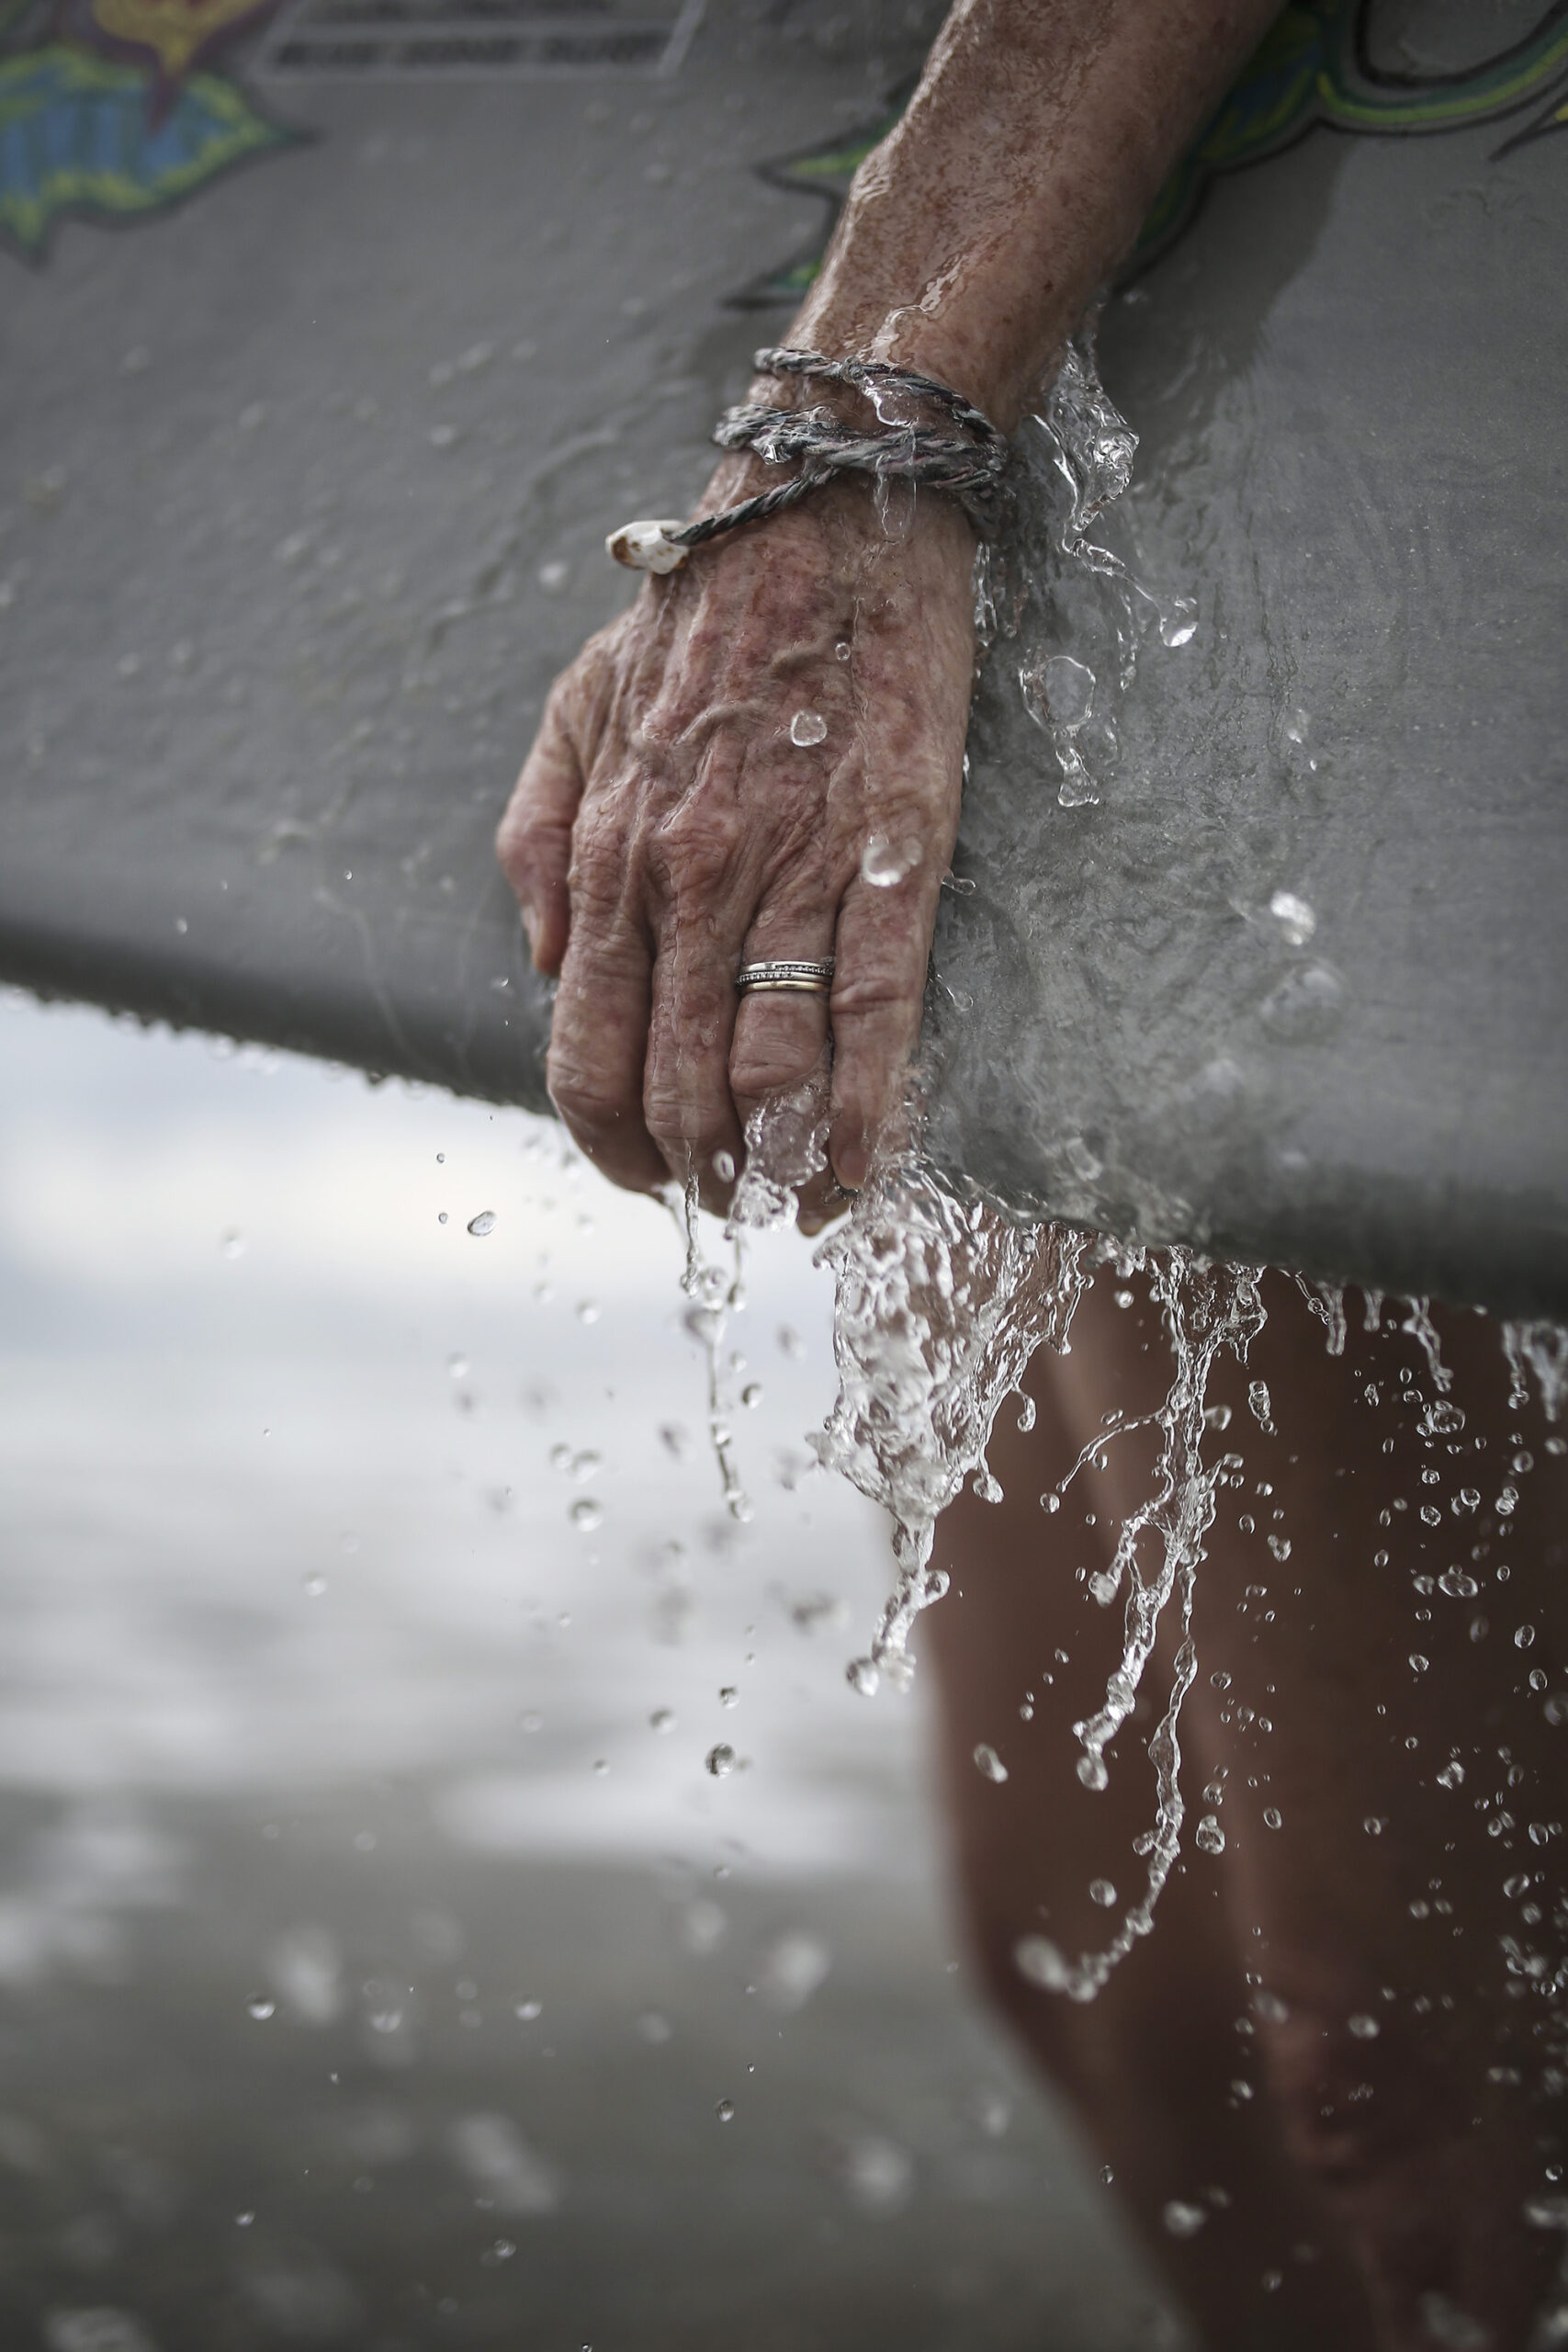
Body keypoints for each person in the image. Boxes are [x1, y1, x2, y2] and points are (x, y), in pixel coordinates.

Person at [497, 5, 1568, 2342]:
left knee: (1399, 2050)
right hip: (1074, 332)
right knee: (1110, 1979)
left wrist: (845, 437)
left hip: (1306, 362)